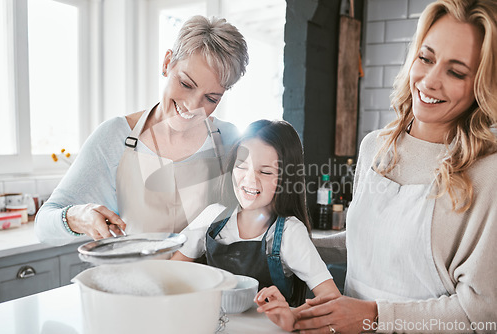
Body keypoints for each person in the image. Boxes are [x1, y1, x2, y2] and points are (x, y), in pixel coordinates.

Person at [256, 0, 497, 333]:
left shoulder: (486, 173)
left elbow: (481, 315)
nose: (429, 81)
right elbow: (368, 241)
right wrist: (287, 240)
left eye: (455, 72)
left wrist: (373, 316)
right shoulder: (375, 147)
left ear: (481, 85)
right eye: (425, 58)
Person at [35, 15, 249, 245]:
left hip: (205, 281)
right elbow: (43, 226)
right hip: (132, 279)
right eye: (186, 84)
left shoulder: (228, 139)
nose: (192, 107)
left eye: (211, 98)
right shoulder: (114, 137)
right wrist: (77, 217)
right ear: (167, 63)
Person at [171, 120, 341, 311]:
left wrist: (292, 314)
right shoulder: (212, 217)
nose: (250, 179)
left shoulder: (289, 232)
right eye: (242, 166)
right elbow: (171, 275)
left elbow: (333, 301)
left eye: (266, 171)